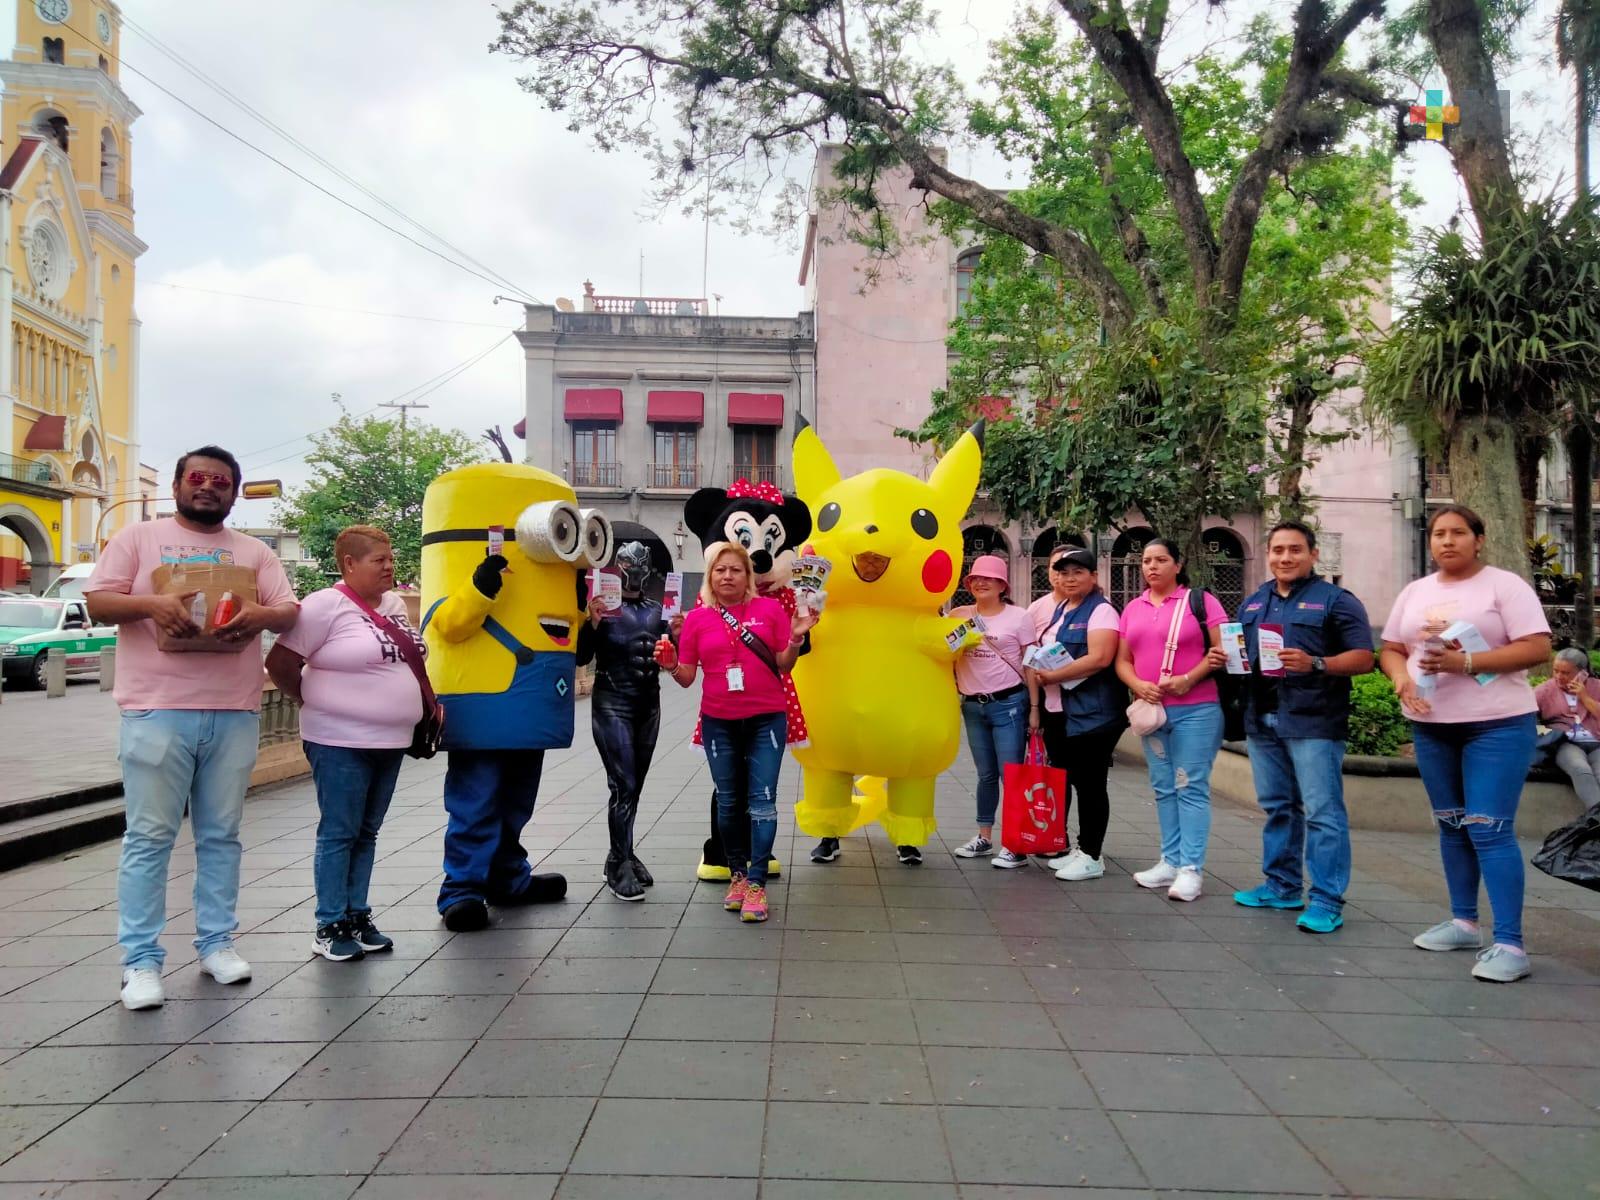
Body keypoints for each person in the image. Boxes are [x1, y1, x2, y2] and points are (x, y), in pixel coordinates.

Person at [85, 445, 300, 1011]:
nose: (209, 487)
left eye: (221, 481)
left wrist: (259, 617)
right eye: (198, 478)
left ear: (233, 491)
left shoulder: (255, 552)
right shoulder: (136, 538)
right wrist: (154, 606)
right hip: (156, 710)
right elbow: (99, 605)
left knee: (221, 835)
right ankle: (140, 961)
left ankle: (217, 944)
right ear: (178, 485)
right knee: (150, 837)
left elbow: (287, 610)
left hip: (234, 709)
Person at [1380, 505, 1552, 983]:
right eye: (1438, 534)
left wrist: (1466, 663)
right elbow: (1393, 648)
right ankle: (1463, 923)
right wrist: (1400, 682)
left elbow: (1538, 647)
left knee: (1488, 828)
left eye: (1458, 533)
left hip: (1496, 724)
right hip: (1433, 725)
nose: (1447, 541)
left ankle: (1511, 945)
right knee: (1451, 824)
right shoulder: (1416, 592)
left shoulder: (1504, 585)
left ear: (1479, 539)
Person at [266, 525, 422, 962]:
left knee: (367, 832)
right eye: (379, 560)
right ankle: (329, 922)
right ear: (349, 564)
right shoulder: (323, 606)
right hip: (338, 740)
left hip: (390, 740)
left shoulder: (393, 605)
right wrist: (311, 698)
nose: (390, 566)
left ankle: (357, 915)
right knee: (339, 832)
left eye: (391, 558)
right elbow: (279, 662)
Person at [1223, 521, 1374, 933]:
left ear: (1313, 554)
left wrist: (1317, 663)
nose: (1285, 558)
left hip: (1313, 722)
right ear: (1268, 555)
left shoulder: (1336, 601)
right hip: (1261, 719)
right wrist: (1227, 659)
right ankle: (1283, 885)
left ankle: (1326, 900)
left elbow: (1364, 658)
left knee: (1323, 812)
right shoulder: (1254, 603)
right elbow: (1242, 653)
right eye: (1277, 551)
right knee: (1277, 807)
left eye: (1294, 550)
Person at [656, 541, 815, 922]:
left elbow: (783, 665)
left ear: (748, 576)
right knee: (728, 801)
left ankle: (758, 884)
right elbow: (687, 677)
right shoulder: (697, 619)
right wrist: (671, 663)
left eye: (735, 570)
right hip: (718, 722)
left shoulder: (771, 609)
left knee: (762, 801)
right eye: (719, 570)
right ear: (711, 576)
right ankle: (738, 876)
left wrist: (795, 638)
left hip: (766, 720)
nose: (727, 576)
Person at [1115, 537, 1227, 901]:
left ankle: (1191, 868)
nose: (1152, 567)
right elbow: (1122, 660)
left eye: (1161, 560)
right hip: (1153, 713)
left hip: (1197, 709)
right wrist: (1138, 685)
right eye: (1146, 560)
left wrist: (1187, 680)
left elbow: (1221, 653)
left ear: (1177, 565)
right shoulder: (1133, 607)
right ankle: (1170, 860)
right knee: (1163, 787)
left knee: (1190, 785)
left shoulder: (1201, 601)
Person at [1026, 546, 1125, 881]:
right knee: (1070, 778)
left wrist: (1052, 676)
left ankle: (1092, 854)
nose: (1070, 578)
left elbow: (1100, 657)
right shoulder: (1063, 609)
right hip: (1062, 711)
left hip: (1093, 713)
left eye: (1078, 572)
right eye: (1064, 572)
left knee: (1091, 784)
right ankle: (1079, 850)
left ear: (1093, 577)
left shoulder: (1101, 611)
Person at [576, 541, 668, 901]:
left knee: (635, 786)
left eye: (640, 565)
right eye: (630, 564)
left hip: (649, 703)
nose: (635, 571)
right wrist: (591, 623)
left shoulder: (658, 609)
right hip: (613, 702)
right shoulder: (603, 610)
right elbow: (582, 655)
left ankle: (624, 852)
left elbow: (672, 653)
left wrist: (676, 631)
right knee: (624, 784)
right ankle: (618, 862)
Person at [949, 554, 1040, 868]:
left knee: (1011, 776)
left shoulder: (1019, 617)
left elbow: (1031, 664)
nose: (981, 583)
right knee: (985, 775)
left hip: (1010, 705)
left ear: (1002, 584)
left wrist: (1035, 709)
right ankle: (984, 837)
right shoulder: (959, 614)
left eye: (989, 579)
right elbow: (945, 652)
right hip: (973, 706)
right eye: (975, 578)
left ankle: (1015, 844)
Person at [1534, 647, 1600, 811]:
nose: (1558, 676)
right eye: (1556, 671)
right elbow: (1523, 714)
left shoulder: (1596, 687)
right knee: (1580, 768)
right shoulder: (1545, 690)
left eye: (1565, 673)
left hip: (1596, 742)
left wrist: (1585, 697)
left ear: (1582, 673)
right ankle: (1597, 817)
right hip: (1565, 742)